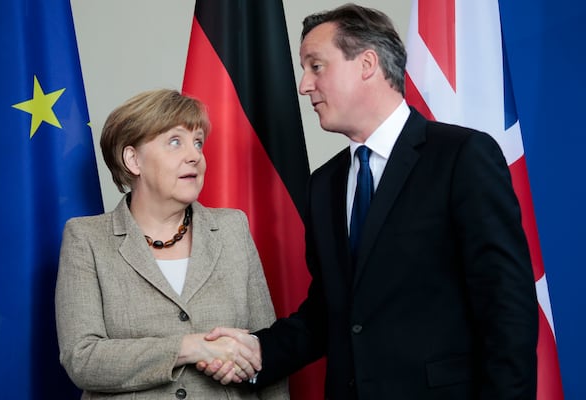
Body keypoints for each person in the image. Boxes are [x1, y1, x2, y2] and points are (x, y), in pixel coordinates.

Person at [199, 3, 538, 399]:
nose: (304, 84)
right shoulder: (324, 184)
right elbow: (331, 312)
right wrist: (257, 351)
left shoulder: (462, 156)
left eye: (316, 66)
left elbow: (506, 308)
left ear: (367, 64)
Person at [54, 89, 289, 399]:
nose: (194, 155)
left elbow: (265, 349)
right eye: (175, 142)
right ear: (133, 159)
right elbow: (82, 358)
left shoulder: (233, 227)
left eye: (198, 142)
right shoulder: (86, 239)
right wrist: (189, 347)